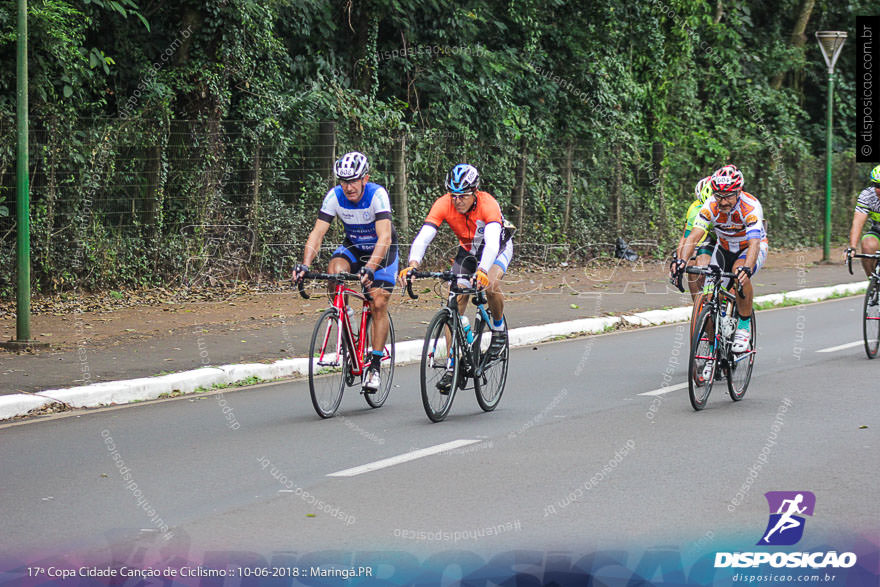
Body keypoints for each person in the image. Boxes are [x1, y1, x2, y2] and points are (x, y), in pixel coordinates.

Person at [400, 164, 513, 392]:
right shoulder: (444, 204)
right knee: (455, 302)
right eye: (453, 195)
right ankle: (452, 367)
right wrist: (412, 265)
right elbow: (424, 237)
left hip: (497, 248)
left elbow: (491, 244)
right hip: (468, 251)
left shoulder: (488, 204)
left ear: (475, 192)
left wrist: (482, 270)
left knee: (490, 285)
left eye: (463, 195)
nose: (457, 200)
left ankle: (499, 332)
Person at [293, 151, 397, 393]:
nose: (348, 187)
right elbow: (317, 233)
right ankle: (344, 316)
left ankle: (373, 367)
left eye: (353, 181)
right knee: (334, 271)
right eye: (343, 181)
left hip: (382, 251)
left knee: (378, 301)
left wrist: (371, 267)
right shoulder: (335, 196)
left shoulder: (377, 195)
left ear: (365, 178)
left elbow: (385, 237)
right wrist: (305, 264)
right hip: (354, 246)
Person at [672, 164, 768, 355]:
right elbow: (693, 236)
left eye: (728, 196)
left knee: (740, 274)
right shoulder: (710, 206)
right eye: (719, 196)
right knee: (708, 295)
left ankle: (743, 325)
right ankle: (712, 349)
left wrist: (747, 268)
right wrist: (681, 261)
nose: (723, 202)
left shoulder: (750, 206)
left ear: (738, 192)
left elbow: (755, 244)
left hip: (748, 248)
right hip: (723, 247)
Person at [673, 176, 716, 301]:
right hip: (708, 239)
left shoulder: (726, 206)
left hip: (727, 239)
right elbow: (687, 238)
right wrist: (679, 261)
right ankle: (699, 306)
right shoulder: (695, 209)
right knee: (694, 267)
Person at [845, 164, 880, 279]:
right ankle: (874, 285)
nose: (879, 190)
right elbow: (857, 223)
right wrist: (853, 247)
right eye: (877, 185)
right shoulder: (868, 196)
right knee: (867, 245)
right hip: (877, 231)